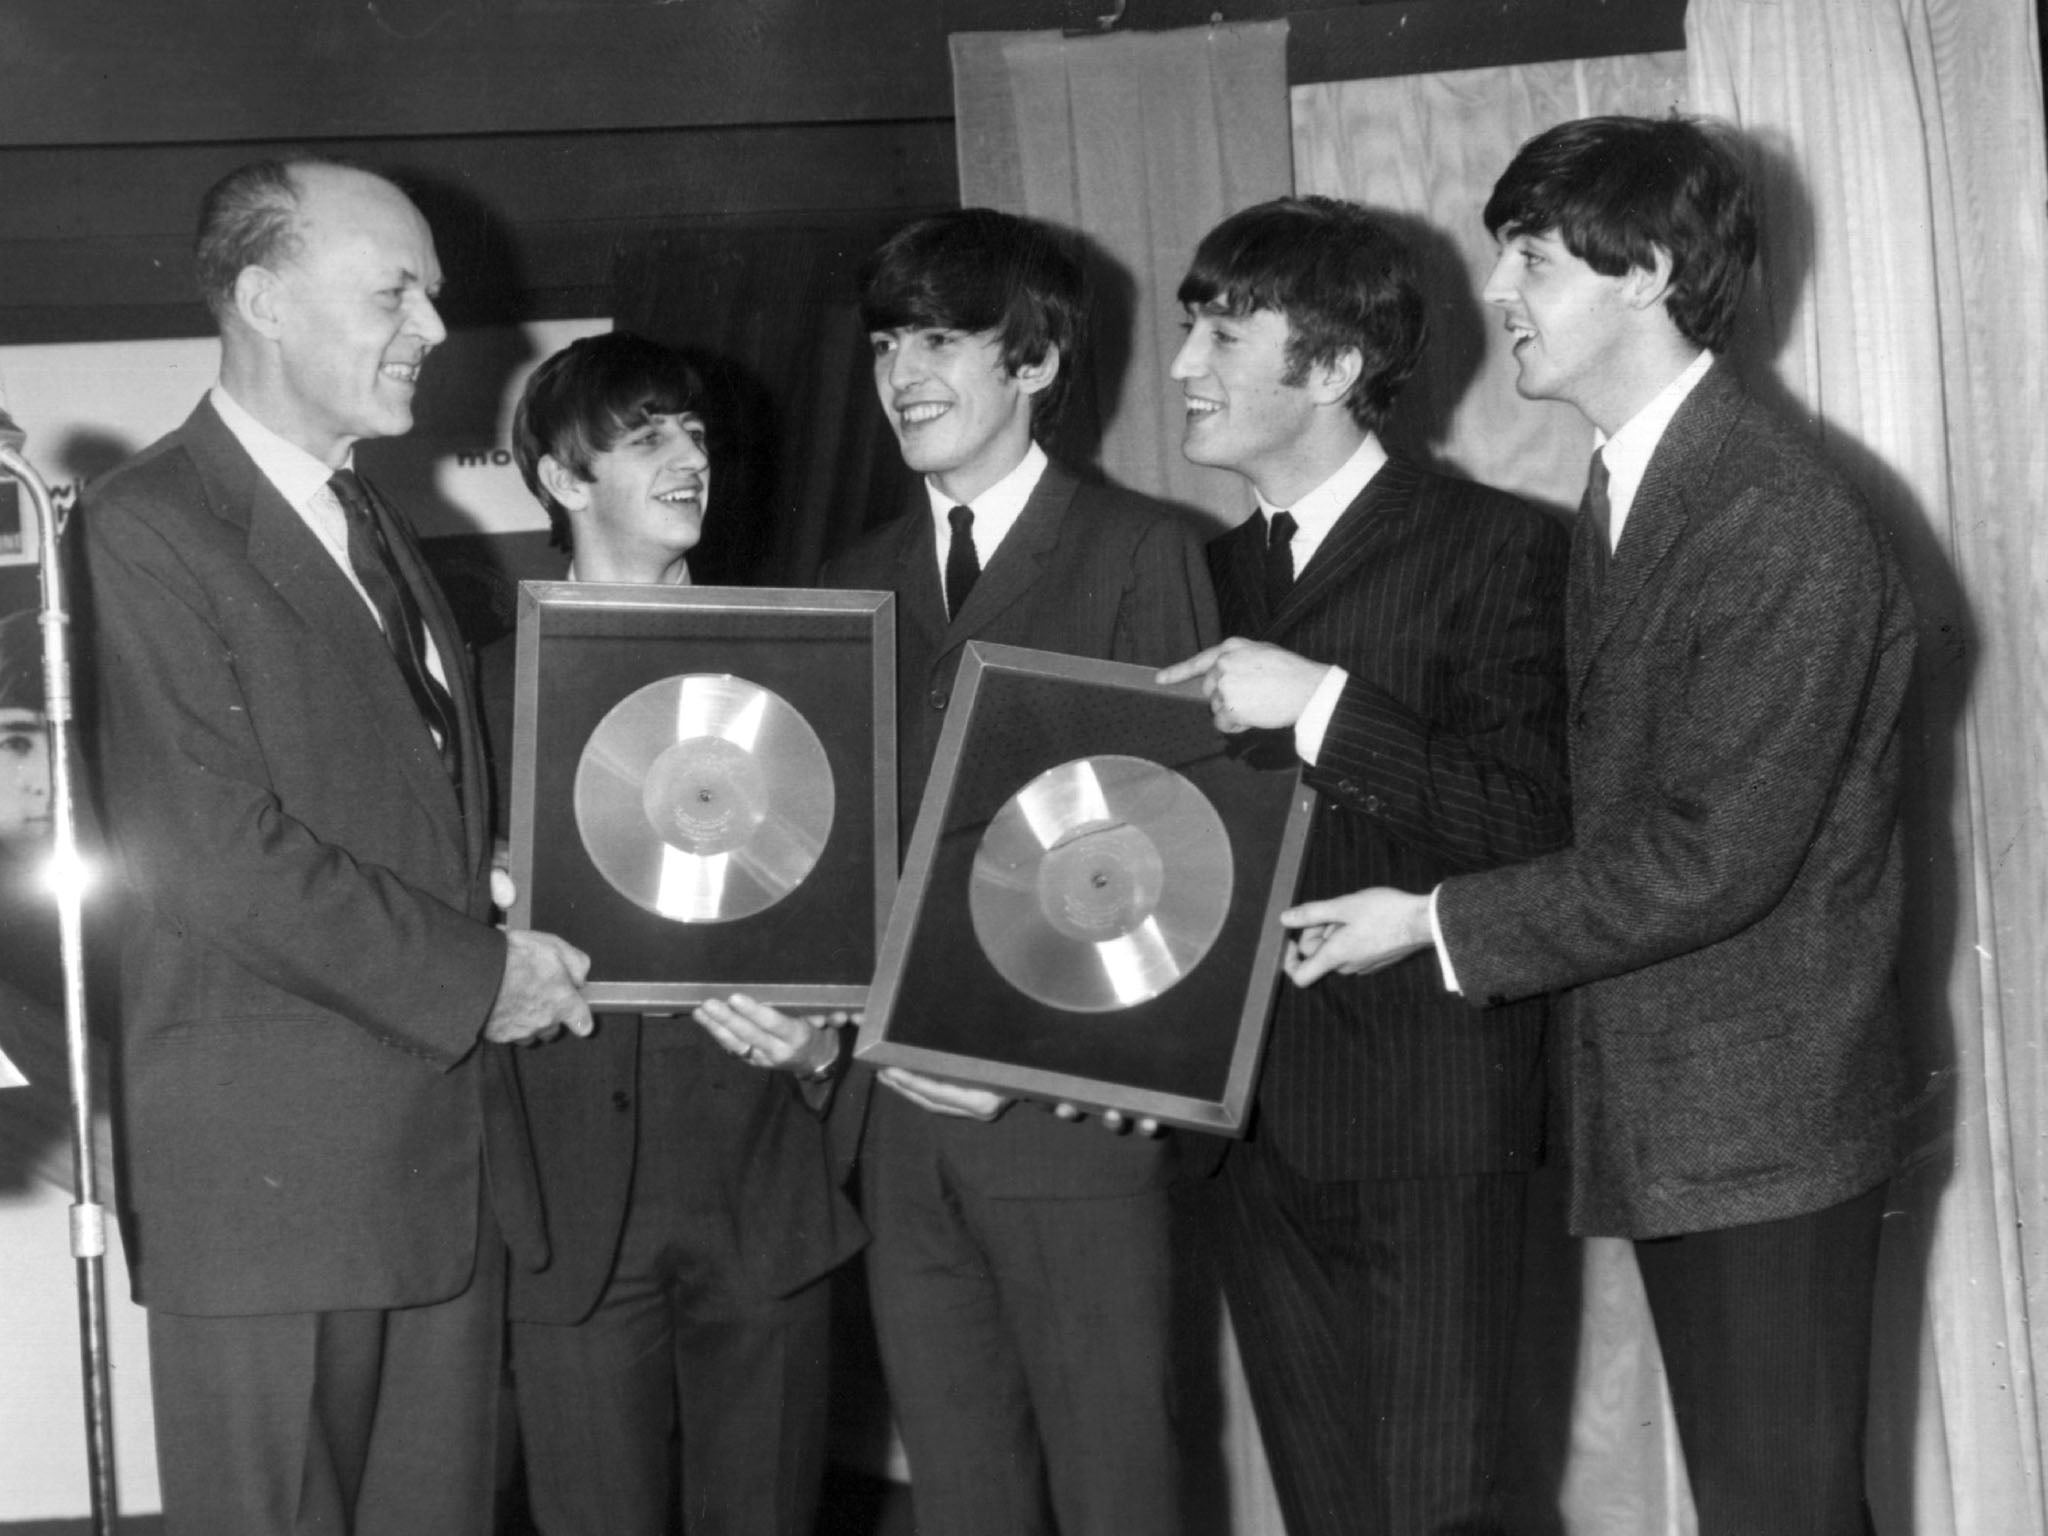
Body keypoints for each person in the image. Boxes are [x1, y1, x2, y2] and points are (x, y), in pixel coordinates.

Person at [1279, 117, 1916, 1536]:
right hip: (1692, 1114)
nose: (1499, 290)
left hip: (1765, 1123)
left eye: (1535, 259)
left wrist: (1436, 922)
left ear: (1649, 276)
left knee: (1783, 1514)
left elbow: (1710, 854)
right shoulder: (1635, 481)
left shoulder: (1773, 515)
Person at [80, 158, 594, 1536]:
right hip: (277, 1198)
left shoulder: (368, 518)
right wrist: (483, 978)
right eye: (395, 290)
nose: (432, 327)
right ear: (260, 298)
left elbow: (394, 805)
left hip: (433, 1179)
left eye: (433, 292)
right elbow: (218, 856)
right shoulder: (147, 526)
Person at [694, 207, 1218, 1536]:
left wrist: (1040, 1052)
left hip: (1070, 1128)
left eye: (942, 337)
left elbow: (1178, 846)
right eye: (885, 343)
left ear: (1037, 362)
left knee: (1123, 1494)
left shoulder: (1141, 551)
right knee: (964, 1499)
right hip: (896, 1127)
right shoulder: (851, 576)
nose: (903, 372)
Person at [1151, 196, 1570, 1535]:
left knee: (1450, 1515)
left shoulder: (1503, 547)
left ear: (1335, 369)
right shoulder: (1207, 571)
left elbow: (1540, 825)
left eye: (1224, 330)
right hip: (1247, 1133)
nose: (1183, 367)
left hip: (1429, 1127)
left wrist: (1325, 702)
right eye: (1188, 329)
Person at [495, 331, 864, 1536]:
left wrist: (821, 1049)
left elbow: (862, 916)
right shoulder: (487, 689)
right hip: (564, 1205)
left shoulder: (802, 661)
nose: (685, 456)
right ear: (561, 477)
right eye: (645, 433)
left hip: (761, 1181)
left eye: (694, 431)